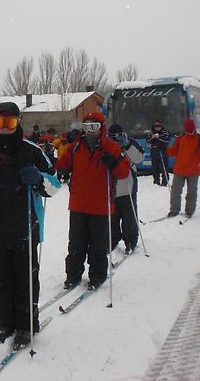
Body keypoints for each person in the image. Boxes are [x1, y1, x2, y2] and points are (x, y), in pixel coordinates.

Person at [0, 102, 60, 348]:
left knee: (25, 279)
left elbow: (55, 185)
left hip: (25, 227)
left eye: (10, 122)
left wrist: (39, 179)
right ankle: (5, 321)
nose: (5, 128)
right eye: (0, 122)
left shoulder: (32, 152)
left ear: (18, 123)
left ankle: (26, 324)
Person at [55, 112, 130, 290]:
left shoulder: (111, 148)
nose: (90, 131)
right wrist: (57, 166)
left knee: (98, 245)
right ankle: (73, 275)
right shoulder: (75, 148)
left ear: (101, 128)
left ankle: (97, 275)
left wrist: (113, 163)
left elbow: (124, 172)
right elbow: (62, 164)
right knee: (76, 243)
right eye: (86, 127)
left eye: (94, 127)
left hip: (101, 206)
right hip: (78, 205)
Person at [108, 123, 144, 254]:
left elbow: (139, 158)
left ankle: (131, 240)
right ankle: (113, 239)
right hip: (111, 187)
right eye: (113, 136)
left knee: (129, 217)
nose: (116, 138)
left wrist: (127, 145)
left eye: (119, 135)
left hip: (128, 185)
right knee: (112, 217)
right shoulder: (106, 145)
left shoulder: (130, 142)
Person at [166, 118, 200, 218]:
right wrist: (168, 150)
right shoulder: (181, 137)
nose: (189, 132)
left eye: (191, 130)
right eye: (187, 130)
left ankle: (189, 211)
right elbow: (174, 151)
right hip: (180, 169)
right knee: (176, 191)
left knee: (191, 192)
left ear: (194, 128)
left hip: (193, 170)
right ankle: (174, 210)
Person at [147, 119, 170, 186]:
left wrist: (159, 137)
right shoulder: (151, 133)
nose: (157, 127)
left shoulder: (165, 132)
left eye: (158, 126)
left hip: (163, 152)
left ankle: (165, 182)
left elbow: (167, 140)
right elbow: (148, 141)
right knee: (155, 168)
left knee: (164, 168)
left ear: (161, 126)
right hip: (154, 152)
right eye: (156, 126)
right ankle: (156, 181)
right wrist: (152, 137)